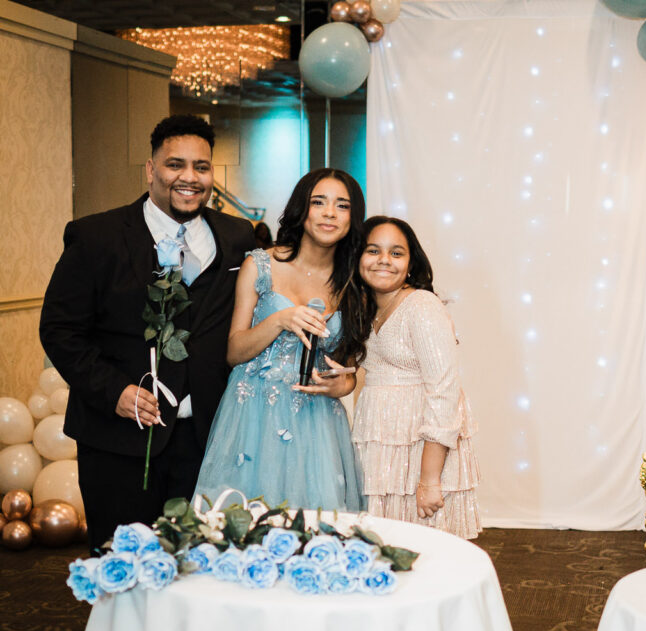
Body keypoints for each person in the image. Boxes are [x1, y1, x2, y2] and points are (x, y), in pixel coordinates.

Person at [40, 115, 257, 552]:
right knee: (124, 564)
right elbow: (60, 330)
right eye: (175, 164)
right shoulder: (96, 237)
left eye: (201, 167)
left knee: (201, 566)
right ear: (150, 169)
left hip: (209, 438)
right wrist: (114, 391)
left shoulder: (237, 236)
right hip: (120, 441)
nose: (189, 177)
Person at [192, 168, 368, 511]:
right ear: (302, 209)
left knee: (315, 521)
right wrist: (278, 320)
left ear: (353, 217)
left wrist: (343, 385)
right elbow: (233, 352)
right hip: (254, 414)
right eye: (319, 202)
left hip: (317, 422)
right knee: (245, 520)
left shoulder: (353, 282)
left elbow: (351, 367)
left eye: (342, 205)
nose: (330, 213)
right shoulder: (261, 265)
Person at [352, 216, 481, 538]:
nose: (384, 260)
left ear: (410, 264)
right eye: (373, 250)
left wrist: (429, 479)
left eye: (396, 253)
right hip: (383, 447)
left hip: (420, 454)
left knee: (422, 550)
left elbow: (444, 392)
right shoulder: (366, 308)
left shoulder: (422, 306)